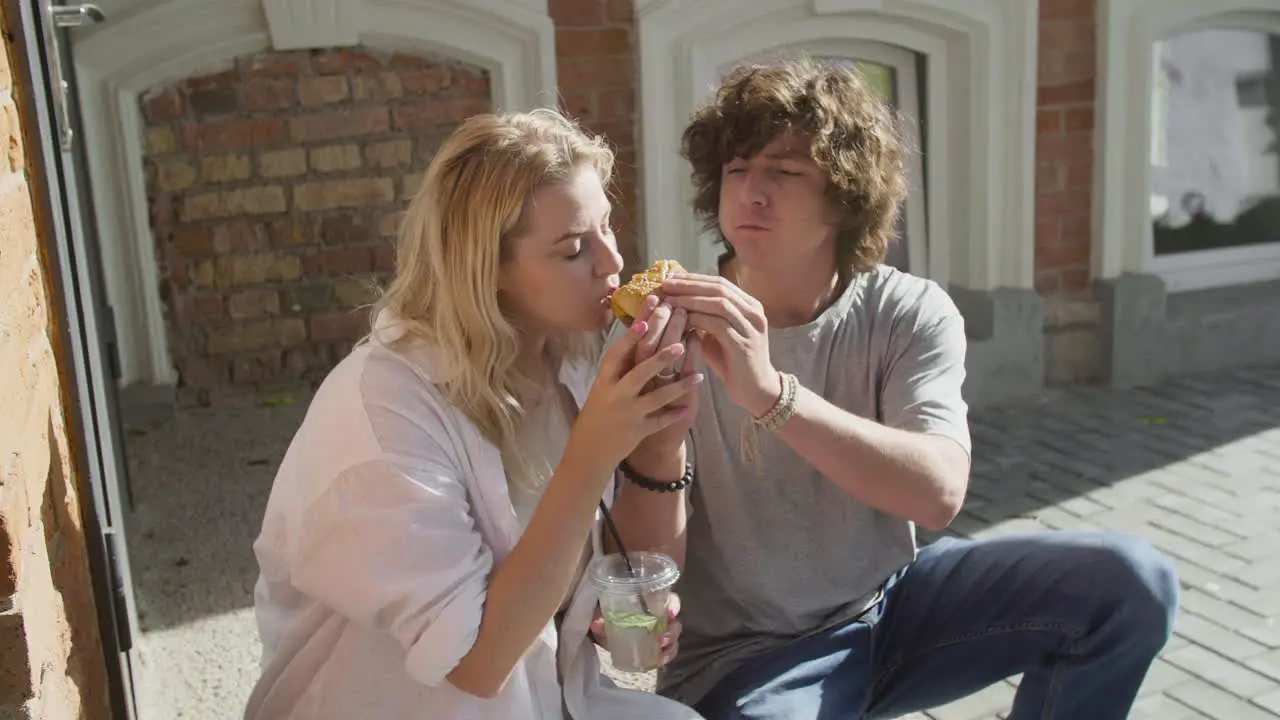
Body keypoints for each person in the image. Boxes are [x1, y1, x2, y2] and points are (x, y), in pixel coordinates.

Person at [636, 57, 1181, 719]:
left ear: (844, 196)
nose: (751, 192)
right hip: (750, 656)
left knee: (1129, 582)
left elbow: (937, 494)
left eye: (782, 172)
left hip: (891, 605)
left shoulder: (906, 311)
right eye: (736, 169)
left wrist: (773, 395)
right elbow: (637, 562)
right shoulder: (671, 326)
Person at [243, 109, 708, 720]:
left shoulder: (564, 360)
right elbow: (477, 666)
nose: (611, 264)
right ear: (485, 270)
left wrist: (659, 445)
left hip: (553, 698)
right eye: (573, 249)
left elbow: (625, 567)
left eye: (607, 229)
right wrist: (594, 452)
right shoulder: (380, 416)